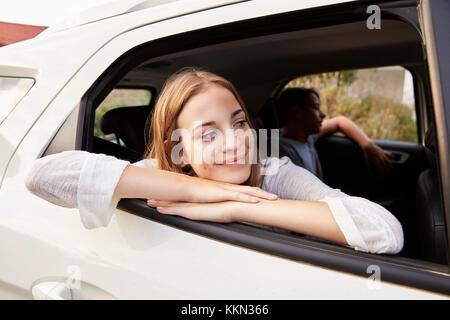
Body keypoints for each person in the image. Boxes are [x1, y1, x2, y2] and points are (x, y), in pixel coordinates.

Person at [25, 68, 403, 254]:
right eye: (208, 134)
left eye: (238, 123)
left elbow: (384, 231)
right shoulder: (164, 175)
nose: (234, 141)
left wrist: (238, 206)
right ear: (181, 150)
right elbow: (42, 176)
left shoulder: (273, 172)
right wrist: (201, 189)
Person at [277, 88, 394, 180]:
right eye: (316, 108)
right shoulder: (277, 150)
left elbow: (340, 121)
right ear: (297, 112)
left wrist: (368, 146)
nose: (323, 114)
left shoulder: (306, 137)